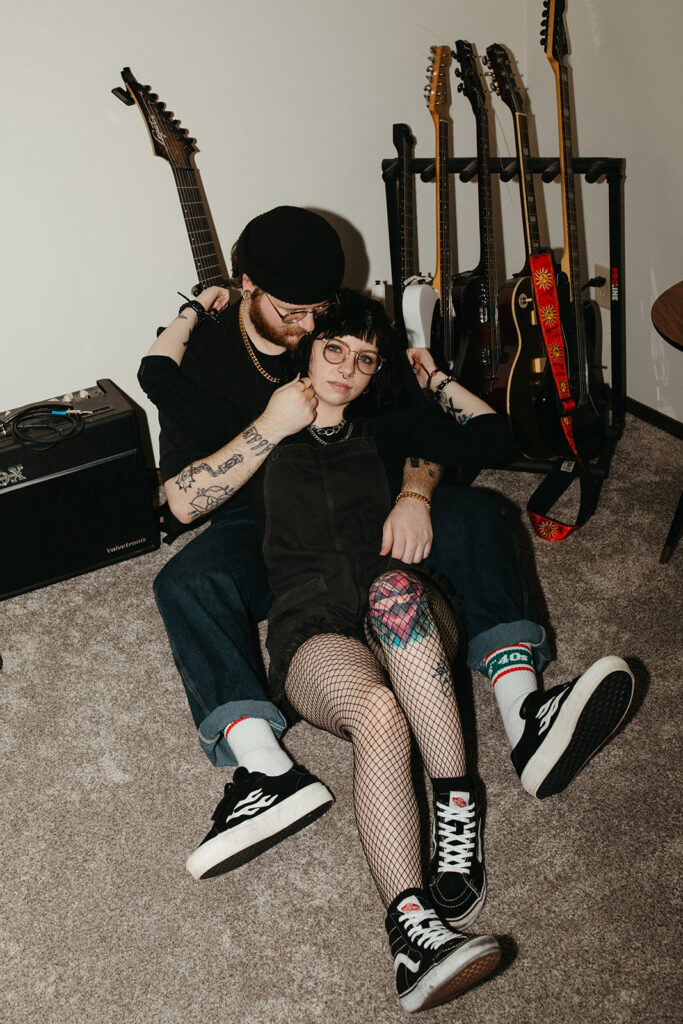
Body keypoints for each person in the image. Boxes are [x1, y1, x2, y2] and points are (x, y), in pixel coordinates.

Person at [138, 205, 634, 886]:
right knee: (184, 583)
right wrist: (259, 413)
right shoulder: (208, 360)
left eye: (323, 312)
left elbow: (424, 429)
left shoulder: (343, 335)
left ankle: (526, 713)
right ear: (245, 283)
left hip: (364, 505)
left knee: (473, 514)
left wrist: (416, 490)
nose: (314, 328)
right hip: (259, 519)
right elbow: (180, 500)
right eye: (295, 312)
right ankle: (262, 766)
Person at [142, 287, 520, 1010]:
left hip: (400, 606)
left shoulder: (391, 430)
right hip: (310, 629)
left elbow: (492, 437)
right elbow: (157, 380)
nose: (345, 369)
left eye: (364, 359)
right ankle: (413, 936)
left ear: (379, 371)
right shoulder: (261, 426)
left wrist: (430, 385)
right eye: (333, 350)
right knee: (376, 715)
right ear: (307, 352)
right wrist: (191, 313)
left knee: (394, 595)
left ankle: (455, 805)